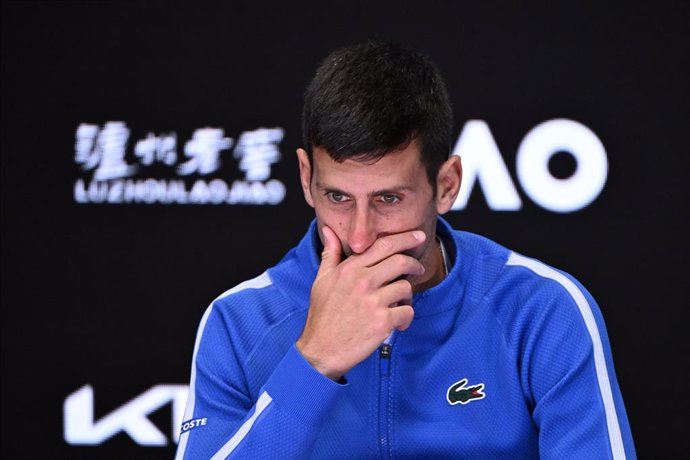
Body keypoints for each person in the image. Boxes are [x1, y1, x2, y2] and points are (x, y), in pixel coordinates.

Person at [175, 42, 636, 459]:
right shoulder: (238, 321)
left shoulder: (542, 309)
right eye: (338, 198)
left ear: (447, 185)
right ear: (305, 178)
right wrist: (313, 361)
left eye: (388, 200)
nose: (359, 238)